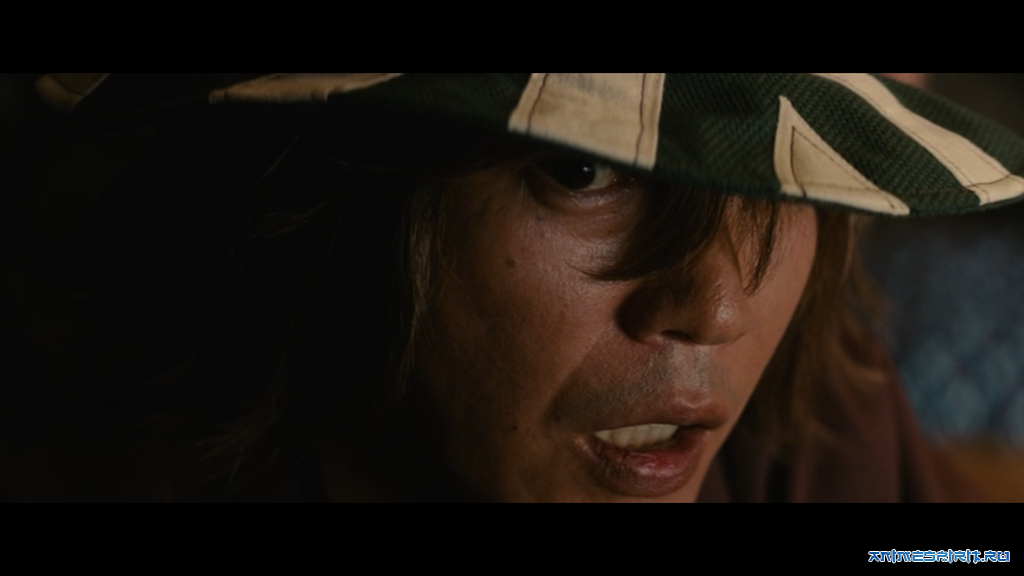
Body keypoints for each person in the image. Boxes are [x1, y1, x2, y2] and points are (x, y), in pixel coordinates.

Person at [3, 73, 1024, 502]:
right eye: (581, 171)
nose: (715, 310)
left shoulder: (816, 422)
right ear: (348, 191)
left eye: (776, 183)